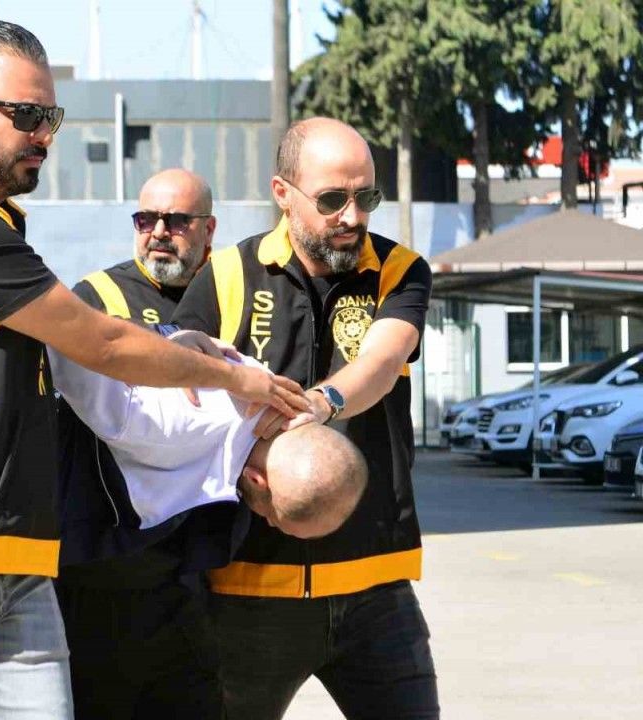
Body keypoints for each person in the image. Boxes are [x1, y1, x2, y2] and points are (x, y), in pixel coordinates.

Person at [0, 19, 307, 720]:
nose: (43, 134)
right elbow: (98, 342)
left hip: (8, 561)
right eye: (25, 115)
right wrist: (237, 379)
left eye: (50, 117)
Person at [172, 116, 437, 719]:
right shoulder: (227, 274)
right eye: (332, 199)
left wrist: (321, 403)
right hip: (246, 590)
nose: (352, 216)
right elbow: (182, 372)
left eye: (366, 197)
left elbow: (382, 359)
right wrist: (184, 353)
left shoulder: (399, 270)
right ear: (283, 193)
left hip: (374, 586)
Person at [54, 168, 224, 719]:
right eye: (145, 219)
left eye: (176, 220)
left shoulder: (229, 292)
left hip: (197, 570)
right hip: (109, 568)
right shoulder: (97, 297)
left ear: (208, 228)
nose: (158, 233)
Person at [50, 346, 366, 542]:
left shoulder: (257, 377)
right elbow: (65, 345)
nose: (268, 524)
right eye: (275, 520)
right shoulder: (166, 425)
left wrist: (163, 339)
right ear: (257, 480)